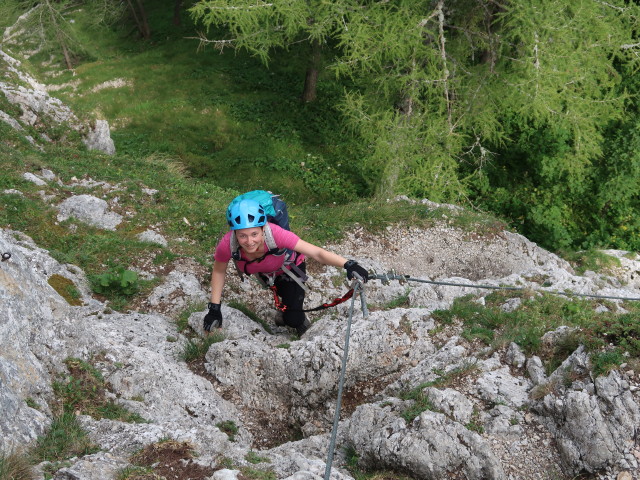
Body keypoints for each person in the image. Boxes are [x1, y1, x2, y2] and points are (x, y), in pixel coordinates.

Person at [203, 198, 369, 336]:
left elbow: (316, 253)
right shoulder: (227, 244)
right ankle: (286, 307)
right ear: (235, 234)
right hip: (265, 273)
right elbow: (219, 271)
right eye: (242, 236)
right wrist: (214, 309)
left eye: (254, 234)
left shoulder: (276, 234)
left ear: (263, 228)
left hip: (290, 269)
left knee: (293, 319)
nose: (249, 241)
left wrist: (348, 264)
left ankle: (295, 320)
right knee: (284, 297)